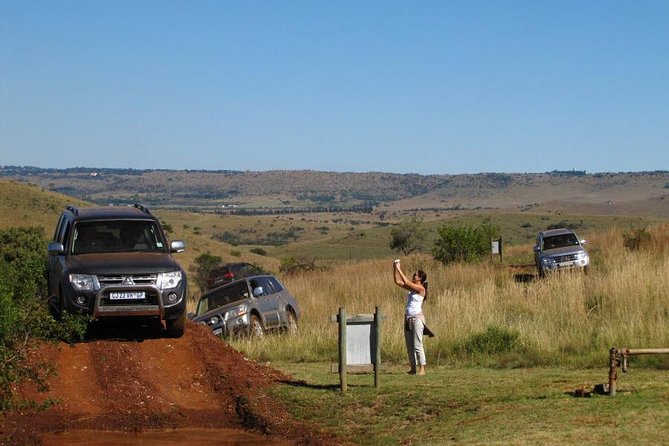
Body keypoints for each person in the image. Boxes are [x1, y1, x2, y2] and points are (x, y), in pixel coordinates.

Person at [393, 259, 429, 375]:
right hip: (408, 319)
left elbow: (407, 283)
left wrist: (399, 268)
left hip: (417, 319)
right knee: (409, 345)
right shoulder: (412, 289)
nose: (414, 275)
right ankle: (413, 368)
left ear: (420, 279)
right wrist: (394, 268)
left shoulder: (421, 289)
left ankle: (422, 368)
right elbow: (397, 282)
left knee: (417, 344)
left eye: (416, 274)